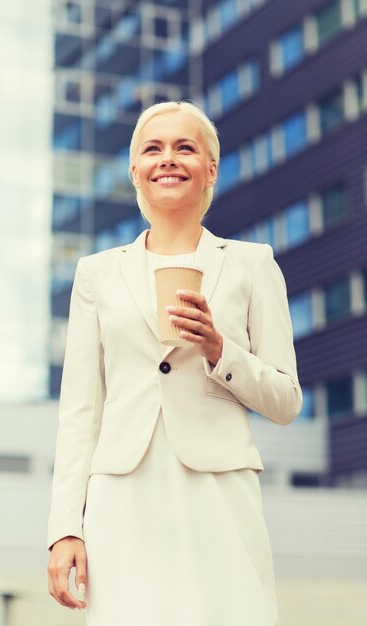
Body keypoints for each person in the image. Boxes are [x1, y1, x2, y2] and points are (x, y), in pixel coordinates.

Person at [47, 100, 303, 625]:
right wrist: (64, 528)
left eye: (185, 147)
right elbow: (79, 409)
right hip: (122, 495)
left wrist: (219, 349)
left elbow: (286, 401)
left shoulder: (253, 264)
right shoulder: (96, 274)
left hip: (219, 492)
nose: (169, 158)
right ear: (135, 169)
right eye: (153, 148)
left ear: (210, 168)